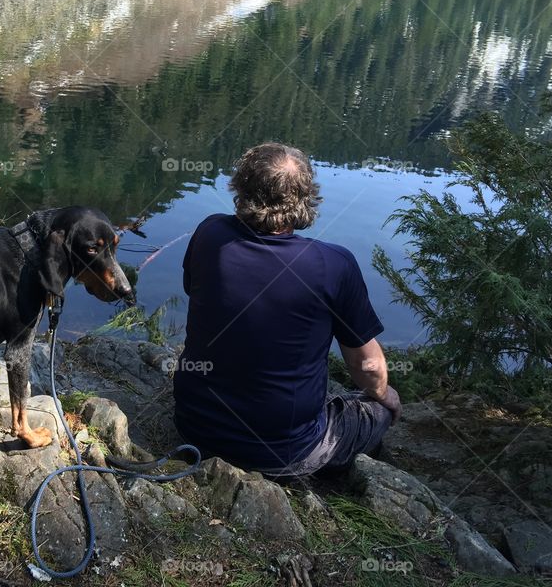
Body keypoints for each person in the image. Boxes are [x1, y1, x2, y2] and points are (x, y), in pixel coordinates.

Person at [172, 142, 401, 478]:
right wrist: (386, 395)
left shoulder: (210, 232)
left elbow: (195, 290)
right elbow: (366, 367)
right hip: (284, 452)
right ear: (305, 197)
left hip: (193, 427)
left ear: (241, 187)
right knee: (376, 411)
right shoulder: (334, 265)